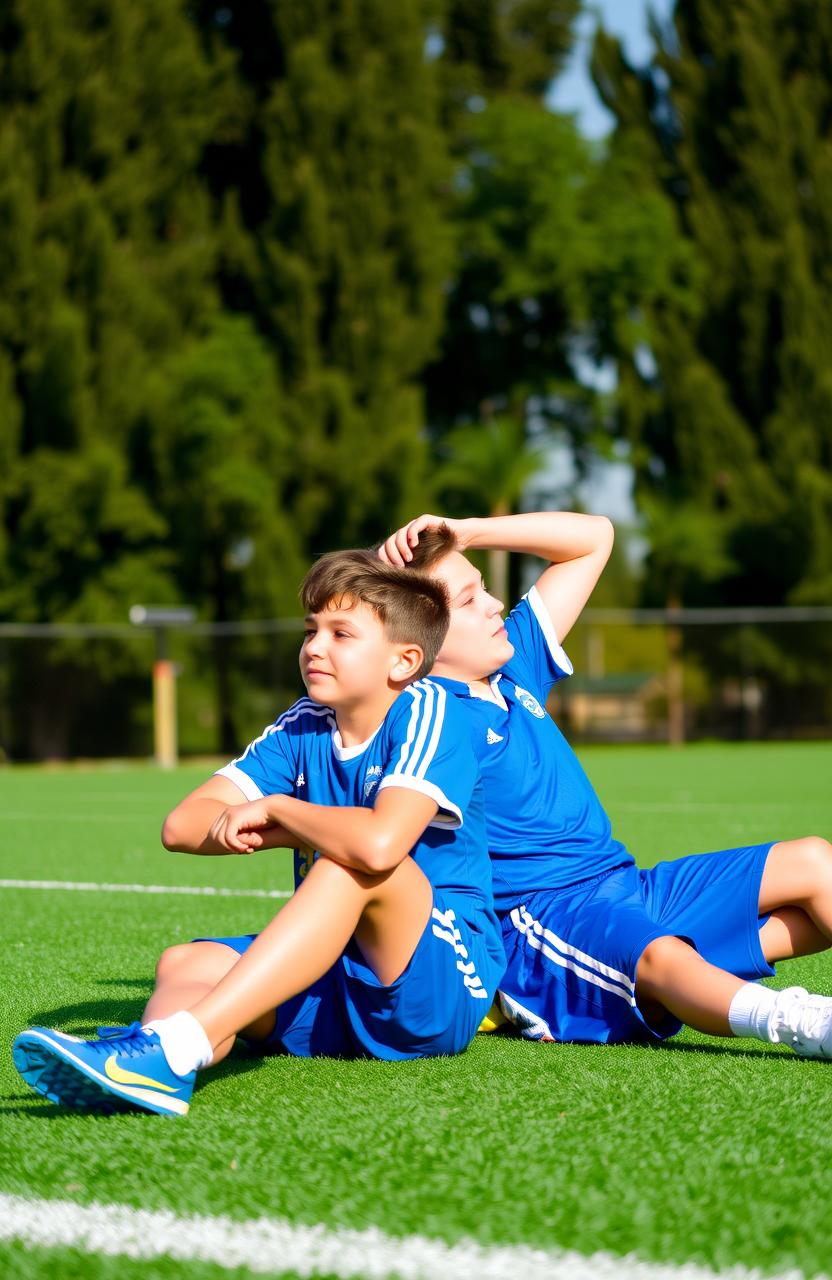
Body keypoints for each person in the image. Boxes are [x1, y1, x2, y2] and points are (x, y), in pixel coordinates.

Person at [13, 550, 505, 1117]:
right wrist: (283, 829)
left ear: (404, 660)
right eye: (311, 630)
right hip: (337, 981)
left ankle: (179, 1044)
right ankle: (154, 1065)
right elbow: (183, 825)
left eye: (342, 633)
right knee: (185, 964)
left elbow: (378, 845)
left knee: (351, 866)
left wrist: (281, 812)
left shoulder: (430, 710)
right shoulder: (303, 724)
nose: (315, 647)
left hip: (436, 987)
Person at [378, 512, 832, 1056]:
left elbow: (594, 539)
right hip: (542, 919)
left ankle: (686, 984)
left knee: (813, 861)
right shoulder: (424, 718)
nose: (496, 603)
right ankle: (802, 1023)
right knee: (662, 957)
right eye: (470, 600)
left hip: (625, 885)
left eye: (485, 589)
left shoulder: (513, 666)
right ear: (417, 642)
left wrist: (469, 530)